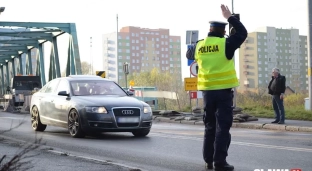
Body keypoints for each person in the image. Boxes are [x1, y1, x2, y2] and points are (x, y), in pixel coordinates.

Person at [186, 4, 247, 171]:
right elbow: (243, 33)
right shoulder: (225, 44)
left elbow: (188, 54)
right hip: (223, 92)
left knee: (209, 126)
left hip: (207, 92)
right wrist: (230, 17)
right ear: (223, 31)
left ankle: (208, 161)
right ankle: (220, 162)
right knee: (223, 127)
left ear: (210, 30)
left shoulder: (199, 45)